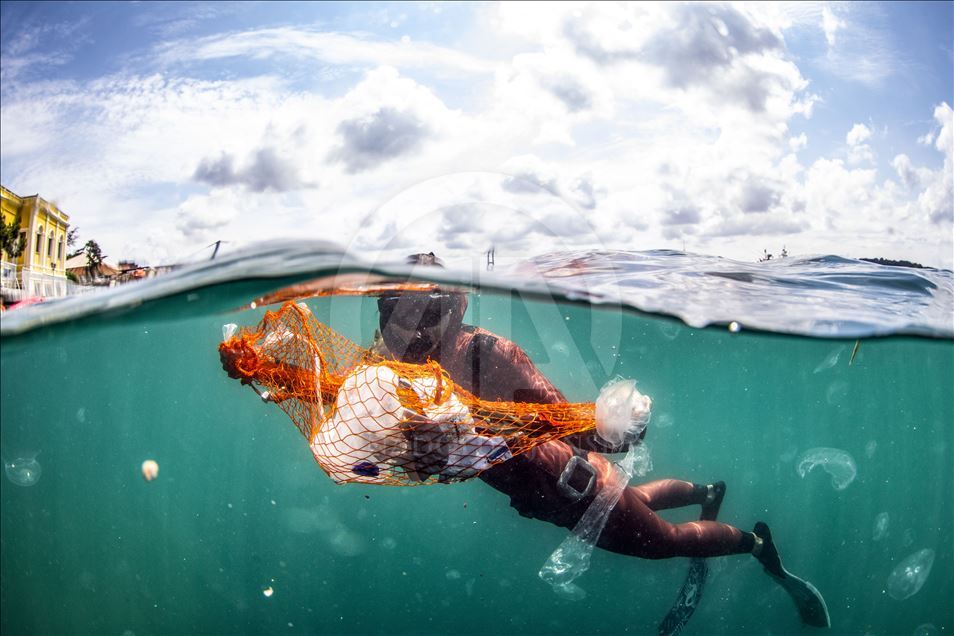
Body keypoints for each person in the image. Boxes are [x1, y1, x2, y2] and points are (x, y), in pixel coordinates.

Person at [375, 253, 783, 567]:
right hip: (547, 494)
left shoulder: (489, 355)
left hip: (574, 489)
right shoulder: (399, 371)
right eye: (393, 312)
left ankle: (757, 545)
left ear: (451, 308)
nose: (407, 331)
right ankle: (707, 492)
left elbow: (563, 423)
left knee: (666, 543)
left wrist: (619, 425)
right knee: (638, 498)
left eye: (422, 314)